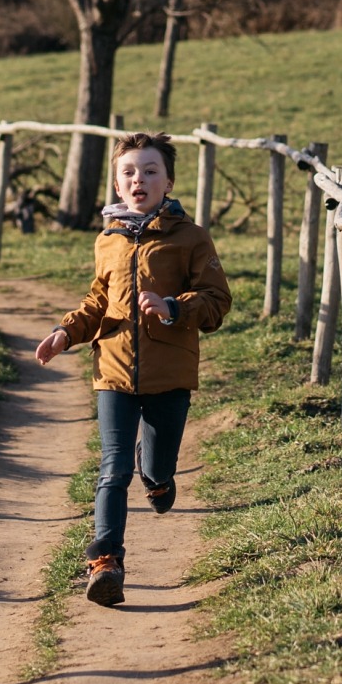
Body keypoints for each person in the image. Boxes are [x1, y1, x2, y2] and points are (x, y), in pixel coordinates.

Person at [35, 132, 231, 606]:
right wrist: (68, 331)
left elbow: (217, 301)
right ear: (118, 185)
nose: (138, 179)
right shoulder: (109, 240)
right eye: (129, 172)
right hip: (113, 373)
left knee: (155, 466)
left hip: (170, 374)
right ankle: (106, 562)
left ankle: (159, 476)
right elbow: (99, 299)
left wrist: (171, 307)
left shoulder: (191, 237)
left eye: (149, 171)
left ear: (168, 182)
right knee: (112, 467)